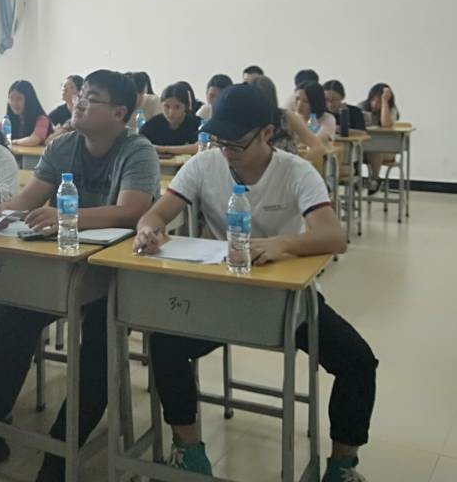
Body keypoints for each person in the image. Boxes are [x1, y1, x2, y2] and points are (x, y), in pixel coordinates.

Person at [135, 84, 377, 482]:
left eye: (235, 142)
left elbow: (335, 238)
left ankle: (342, 466)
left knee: (359, 362)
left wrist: (281, 244)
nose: (225, 150)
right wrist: (149, 230)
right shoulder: (204, 164)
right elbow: (155, 214)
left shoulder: (295, 171)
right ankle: (189, 450)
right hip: (222, 295)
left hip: (287, 302)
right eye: (219, 140)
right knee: (164, 344)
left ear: (266, 133)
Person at [0, 70, 159, 482]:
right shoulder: (64, 145)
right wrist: (2, 210)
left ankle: (62, 453)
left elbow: (132, 211)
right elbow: (30, 197)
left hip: (114, 273)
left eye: (91, 98)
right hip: (62, 268)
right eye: (80, 95)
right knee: (15, 321)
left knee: (98, 343)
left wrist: (67, 216)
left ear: (119, 113)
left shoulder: (138, 150)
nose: (78, 103)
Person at [248, 74, 327, 164]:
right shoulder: (244, 120)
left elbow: (318, 147)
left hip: (285, 168)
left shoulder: (285, 116)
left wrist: (299, 165)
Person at [140, 83, 200, 155]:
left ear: (186, 107)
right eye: (167, 106)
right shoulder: (152, 125)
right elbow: (141, 145)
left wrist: (162, 149)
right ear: (161, 104)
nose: (171, 112)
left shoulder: (196, 124)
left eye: (177, 107)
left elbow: (201, 146)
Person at [360, 83, 400, 192]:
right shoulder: (362, 106)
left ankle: (375, 179)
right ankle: (355, 179)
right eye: (372, 100)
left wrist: (385, 101)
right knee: (353, 151)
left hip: (386, 150)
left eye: (379, 102)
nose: (374, 104)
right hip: (364, 149)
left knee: (376, 149)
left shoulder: (391, 109)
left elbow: (386, 124)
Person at [6, 80, 51, 146]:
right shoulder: (9, 119)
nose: (14, 103)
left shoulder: (42, 120)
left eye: (19, 98)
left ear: (29, 99)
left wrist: (12, 142)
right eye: (11, 98)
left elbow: (33, 140)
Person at [46, 74, 84, 143]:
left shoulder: (85, 111)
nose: (64, 89)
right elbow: (46, 136)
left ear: (80, 92)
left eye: (70, 87)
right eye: (64, 86)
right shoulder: (58, 111)